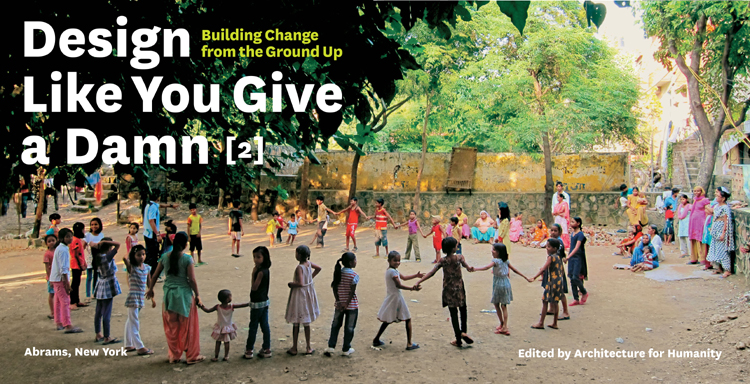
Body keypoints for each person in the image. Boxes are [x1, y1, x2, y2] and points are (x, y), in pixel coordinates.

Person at [146, 232, 205, 365]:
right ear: (185, 244)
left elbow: (154, 275)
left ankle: (174, 355)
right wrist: (197, 295)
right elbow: (191, 279)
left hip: (169, 296)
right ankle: (191, 356)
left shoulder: (164, 257)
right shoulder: (187, 259)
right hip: (184, 297)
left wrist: (150, 289)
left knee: (172, 328)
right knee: (188, 327)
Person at [414, 237, 474, 348]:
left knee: (453, 314)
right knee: (463, 310)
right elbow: (468, 267)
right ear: (453, 248)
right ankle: (463, 332)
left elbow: (432, 272)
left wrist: (419, 281)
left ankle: (458, 338)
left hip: (449, 290)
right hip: (460, 288)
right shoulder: (460, 258)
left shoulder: (443, 261)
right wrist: (470, 268)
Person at [469, 243, 530, 336]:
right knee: (503, 305)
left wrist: (475, 269)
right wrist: (526, 277)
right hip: (506, 282)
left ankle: (503, 325)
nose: (492, 251)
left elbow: (486, 267)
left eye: (493, 250)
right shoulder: (506, 261)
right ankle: (504, 325)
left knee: (497, 304)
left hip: (498, 284)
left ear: (498, 252)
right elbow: (515, 270)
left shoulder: (496, 261)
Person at [372, 251, 423, 350]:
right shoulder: (393, 272)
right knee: (407, 318)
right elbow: (398, 285)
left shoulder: (391, 270)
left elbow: (403, 278)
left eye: (399, 261)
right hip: (396, 298)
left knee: (387, 320)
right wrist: (412, 288)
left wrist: (416, 276)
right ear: (389, 261)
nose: (397, 262)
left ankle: (376, 339)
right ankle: (409, 343)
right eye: (395, 260)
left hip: (392, 297)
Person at [285, 245, 321, 356]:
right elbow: (318, 268)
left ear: (299, 255)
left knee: (296, 322)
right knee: (306, 323)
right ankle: (308, 346)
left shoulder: (299, 267)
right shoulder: (309, 264)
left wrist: (291, 284)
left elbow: (300, 283)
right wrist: (309, 278)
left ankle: (295, 347)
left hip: (299, 295)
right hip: (308, 292)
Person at [122, 245, 155, 355]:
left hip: (140, 297)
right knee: (134, 321)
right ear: (133, 256)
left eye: (143, 254)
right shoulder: (132, 267)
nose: (141, 257)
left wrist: (152, 296)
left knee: (131, 320)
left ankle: (128, 344)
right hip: (133, 297)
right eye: (138, 255)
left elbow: (149, 282)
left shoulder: (146, 267)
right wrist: (130, 251)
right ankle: (139, 346)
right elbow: (125, 259)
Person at [198, 289, 249, 362]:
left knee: (218, 342)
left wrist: (201, 306)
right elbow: (241, 305)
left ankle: (216, 356)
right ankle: (226, 356)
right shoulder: (232, 306)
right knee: (227, 342)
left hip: (220, 327)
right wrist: (249, 304)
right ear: (228, 299)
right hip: (228, 327)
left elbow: (208, 310)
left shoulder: (217, 307)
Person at [324, 252, 359, 357]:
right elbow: (351, 292)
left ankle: (331, 346)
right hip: (351, 306)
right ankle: (346, 348)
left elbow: (334, 288)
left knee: (335, 325)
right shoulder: (354, 275)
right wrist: (347, 303)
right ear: (351, 262)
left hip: (339, 305)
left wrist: (339, 301)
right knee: (349, 327)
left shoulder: (338, 273)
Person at [48, 228, 83, 333]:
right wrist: (67, 284)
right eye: (67, 236)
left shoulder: (60, 248)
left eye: (70, 236)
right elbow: (63, 268)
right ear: (62, 238)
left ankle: (59, 322)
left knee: (59, 301)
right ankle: (67, 324)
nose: (70, 238)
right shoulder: (63, 250)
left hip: (56, 278)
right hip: (60, 279)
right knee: (65, 301)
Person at [529, 238, 564, 330]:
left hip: (552, 282)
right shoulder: (558, 256)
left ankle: (541, 323)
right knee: (555, 302)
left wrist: (534, 277)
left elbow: (543, 268)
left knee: (545, 301)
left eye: (549, 247)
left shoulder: (551, 257)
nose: (547, 248)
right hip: (559, 281)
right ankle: (555, 323)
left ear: (555, 248)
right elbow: (562, 271)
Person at [244, 246, 273, 359]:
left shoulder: (260, 272)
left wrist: (253, 274)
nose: (255, 259)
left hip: (257, 302)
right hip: (264, 301)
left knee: (253, 326)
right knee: (265, 325)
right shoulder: (266, 270)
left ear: (264, 258)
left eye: (258, 257)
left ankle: (249, 349)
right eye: (254, 257)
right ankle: (267, 348)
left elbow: (254, 287)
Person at [93, 238, 122, 344]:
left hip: (100, 284)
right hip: (108, 285)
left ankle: (98, 333)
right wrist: (105, 242)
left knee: (99, 311)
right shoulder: (107, 257)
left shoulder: (97, 256)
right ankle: (107, 336)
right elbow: (118, 244)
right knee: (107, 312)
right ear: (109, 247)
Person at [144, 190, 178, 275]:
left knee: (150, 254)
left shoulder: (150, 204)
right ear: (158, 197)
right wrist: (157, 234)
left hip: (147, 233)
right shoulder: (153, 207)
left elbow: (160, 205)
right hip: (151, 235)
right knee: (153, 255)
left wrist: (170, 205)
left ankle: (148, 274)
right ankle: (152, 275)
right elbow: (151, 221)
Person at [706, 187, 734, 277]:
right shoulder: (717, 206)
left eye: (718, 196)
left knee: (723, 250)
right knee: (715, 248)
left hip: (721, 230)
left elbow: (726, 220)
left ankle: (727, 269)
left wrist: (723, 233)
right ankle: (719, 267)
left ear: (723, 198)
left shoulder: (725, 207)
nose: (716, 197)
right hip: (716, 229)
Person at [549, 224, 570, 321]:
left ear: (559, 232)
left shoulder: (559, 243)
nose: (553, 232)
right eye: (552, 230)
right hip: (552, 269)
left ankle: (565, 311)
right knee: (551, 288)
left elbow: (559, 256)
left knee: (560, 291)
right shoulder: (552, 241)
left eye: (555, 231)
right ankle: (552, 308)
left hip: (557, 269)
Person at [568, 217, 589, 306]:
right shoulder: (572, 234)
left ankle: (584, 292)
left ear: (578, 223)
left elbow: (577, 247)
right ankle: (576, 299)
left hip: (577, 258)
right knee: (571, 278)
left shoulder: (580, 235)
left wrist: (568, 256)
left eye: (573, 222)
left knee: (575, 277)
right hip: (572, 257)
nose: (571, 223)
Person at [84, 218, 104, 303]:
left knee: (97, 276)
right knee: (89, 277)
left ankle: (95, 293)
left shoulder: (101, 235)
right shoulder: (88, 235)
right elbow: (84, 245)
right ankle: (88, 295)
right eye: (92, 224)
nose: (94, 226)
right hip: (89, 258)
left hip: (98, 258)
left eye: (95, 224)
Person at [688, 187, 709, 265]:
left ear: (701, 191)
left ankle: (702, 258)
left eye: (698, 191)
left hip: (701, 221)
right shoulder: (695, 200)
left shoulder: (704, 200)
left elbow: (707, 210)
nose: (696, 192)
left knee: (700, 239)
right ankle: (694, 258)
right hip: (693, 221)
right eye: (695, 191)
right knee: (693, 238)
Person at [69, 222, 87, 309]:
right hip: (76, 265)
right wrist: (81, 264)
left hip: (78, 264)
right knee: (75, 284)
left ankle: (77, 300)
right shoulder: (75, 240)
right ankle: (72, 301)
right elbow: (76, 254)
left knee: (77, 283)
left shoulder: (77, 240)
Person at [43, 234, 57, 320]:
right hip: (51, 277)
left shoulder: (57, 251)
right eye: (49, 241)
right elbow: (47, 268)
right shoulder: (47, 254)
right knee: (51, 294)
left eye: (53, 240)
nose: (51, 243)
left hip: (57, 277)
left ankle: (57, 311)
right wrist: (50, 279)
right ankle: (52, 312)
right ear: (46, 244)